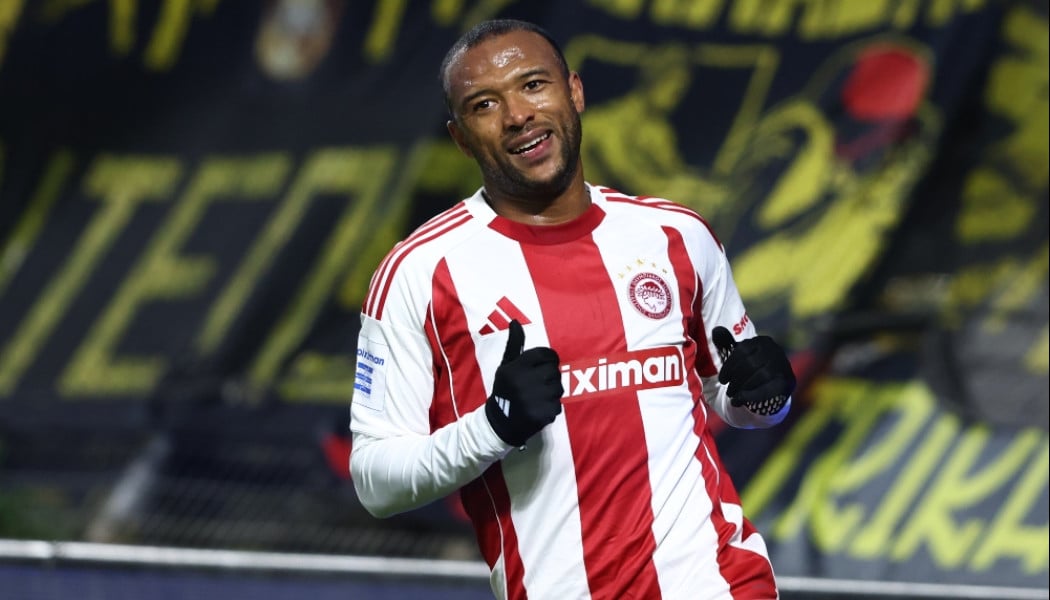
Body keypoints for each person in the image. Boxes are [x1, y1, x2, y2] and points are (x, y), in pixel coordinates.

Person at [349, 18, 796, 600]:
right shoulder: (419, 273)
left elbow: (732, 401)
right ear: (461, 138)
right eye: (485, 104)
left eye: (533, 85)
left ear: (575, 92)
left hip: (720, 584)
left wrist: (767, 395)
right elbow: (376, 483)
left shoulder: (678, 236)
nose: (518, 115)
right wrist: (493, 426)